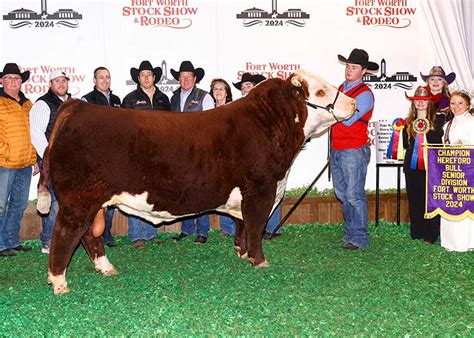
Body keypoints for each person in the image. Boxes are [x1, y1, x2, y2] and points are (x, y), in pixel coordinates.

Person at [331, 48, 378, 250]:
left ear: (364, 71)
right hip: (337, 148)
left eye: (354, 67)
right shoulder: (341, 88)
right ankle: (351, 232)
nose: (349, 70)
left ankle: (360, 237)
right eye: (348, 66)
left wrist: (329, 110)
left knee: (353, 194)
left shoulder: (365, 94)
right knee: (342, 193)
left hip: (353, 149)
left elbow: (349, 120)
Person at [122, 60, 170, 249]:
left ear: (155, 77)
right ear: (138, 78)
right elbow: (124, 128)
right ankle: (135, 235)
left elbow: (171, 125)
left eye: (149, 74)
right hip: (137, 153)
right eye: (143, 75)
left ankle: (150, 233)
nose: (147, 78)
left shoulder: (163, 99)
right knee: (135, 193)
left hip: (160, 153)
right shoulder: (130, 99)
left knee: (154, 192)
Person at [233, 73, 282, 240]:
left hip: (264, 155)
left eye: (248, 86)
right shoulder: (235, 108)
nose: (245, 89)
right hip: (241, 155)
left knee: (268, 188)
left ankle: (272, 227)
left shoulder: (267, 108)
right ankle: (249, 229)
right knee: (245, 193)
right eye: (242, 87)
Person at [170, 61, 214, 244]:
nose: (185, 79)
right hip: (179, 151)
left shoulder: (205, 97)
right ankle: (186, 229)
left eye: (189, 77)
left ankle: (203, 231)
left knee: (200, 189)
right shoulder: (173, 98)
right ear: (179, 79)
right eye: (182, 77)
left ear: (195, 79)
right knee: (183, 189)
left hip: (199, 151)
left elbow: (212, 124)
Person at [30, 69, 71, 254]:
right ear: (50, 84)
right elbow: (37, 133)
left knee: (66, 202)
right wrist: (49, 157)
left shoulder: (71, 103)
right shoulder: (42, 104)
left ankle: (62, 238)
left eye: (64, 81)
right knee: (53, 201)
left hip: (69, 162)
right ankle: (48, 240)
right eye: (57, 81)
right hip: (52, 161)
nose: (61, 84)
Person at [82, 66, 121, 247]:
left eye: (107, 77)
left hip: (114, 155)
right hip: (95, 156)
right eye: (101, 78)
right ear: (94, 80)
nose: (104, 81)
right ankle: (91, 234)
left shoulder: (116, 100)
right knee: (95, 197)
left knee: (111, 197)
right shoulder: (87, 100)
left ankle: (106, 233)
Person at [0, 63, 37, 257]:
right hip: (4, 162)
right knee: (0, 203)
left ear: (21, 81)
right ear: (2, 80)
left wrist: (35, 157)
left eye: (17, 78)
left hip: (25, 162)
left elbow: (33, 133)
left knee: (18, 204)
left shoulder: (28, 104)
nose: (14, 81)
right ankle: (0, 243)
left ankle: (12, 241)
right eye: (9, 78)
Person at [402, 86, 443, 244]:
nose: (420, 103)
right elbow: (406, 145)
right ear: (413, 103)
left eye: (423, 100)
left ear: (429, 102)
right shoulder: (407, 122)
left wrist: (426, 132)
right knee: (415, 198)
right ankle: (417, 231)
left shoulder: (438, 120)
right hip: (412, 166)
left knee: (431, 199)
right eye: (417, 100)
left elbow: (438, 142)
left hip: (431, 165)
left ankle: (431, 233)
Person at [440, 91, 474, 252]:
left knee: (466, 203)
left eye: (460, 103)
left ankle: (466, 243)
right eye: (453, 103)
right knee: (451, 202)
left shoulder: (472, 122)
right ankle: (450, 242)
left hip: (467, 169)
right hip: (450, 170)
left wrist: (463, 145)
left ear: (468, 105)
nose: (456, 106)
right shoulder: (447, 125)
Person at [209, 78, 236, 237]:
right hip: (213, 156)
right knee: (221, 192)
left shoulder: (233, 110)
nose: (218, 92)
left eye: (221, 89)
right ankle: (226, 228)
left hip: (231, 156)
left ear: (227, 93)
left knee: (233, 192)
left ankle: (235, 227)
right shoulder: (208, 111)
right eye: (215, 89)